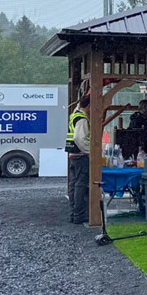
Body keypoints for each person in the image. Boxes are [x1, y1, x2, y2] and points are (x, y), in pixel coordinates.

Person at [66, 93, 90, 224]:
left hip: (73, 154)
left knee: (74, 185)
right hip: (81, 155)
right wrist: (90, 151)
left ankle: (74, 213)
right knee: (81, 185)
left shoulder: (74, 114)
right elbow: (79, 138)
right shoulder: (82, 119)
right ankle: (80, 214)